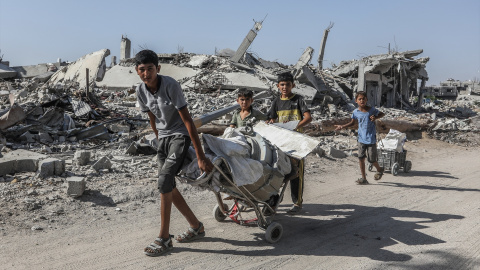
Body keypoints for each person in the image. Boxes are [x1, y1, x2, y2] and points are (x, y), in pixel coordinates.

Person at [134, 50, 213, 257]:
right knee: (166, 183)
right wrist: (159, 139)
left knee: (165, 179)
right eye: (142, 70)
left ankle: (164, 237)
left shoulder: (171, 85)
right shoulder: (140, 91)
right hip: (164, 139)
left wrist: (201, 156)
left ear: (157, 69)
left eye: (150, 69)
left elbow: (187, 120)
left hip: (179, 135)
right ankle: (196, 226)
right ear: (137, 71)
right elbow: (152, 117)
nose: (146, 74)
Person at [266, 72, 312, 214]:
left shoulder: (298, 100)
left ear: (293, 85)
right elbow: (271, 119)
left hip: (297, 142)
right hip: (282, 142)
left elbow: (308, 117)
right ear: (277, 86)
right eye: (282, 84)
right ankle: (273, 201)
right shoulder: (276, 102)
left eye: (287, 84)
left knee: (297, 173)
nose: (285, 87)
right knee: (277, 171)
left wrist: (296, 125)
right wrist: (271, 123)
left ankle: (297, 203)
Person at [335, 91, 385, 185]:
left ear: (366, 99)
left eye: (363, 98)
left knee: (371, 159)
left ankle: (379, 169)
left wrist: (375, 117)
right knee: (361, 158)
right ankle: (364, 178)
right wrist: (342, 126)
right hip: (361, 138)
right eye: (360, 99)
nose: (362, 100)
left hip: (371, 138)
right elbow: (352, 122)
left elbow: (382, 114)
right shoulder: (355, 112)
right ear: (356, 101)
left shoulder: (371, 110)